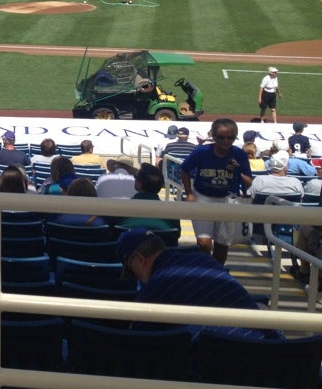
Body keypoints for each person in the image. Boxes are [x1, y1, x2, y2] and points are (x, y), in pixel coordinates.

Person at [117, 228, 276, 339]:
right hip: (274, 350)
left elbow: (140, 337)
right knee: (262, 307)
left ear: (140, 259)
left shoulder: (155, 286)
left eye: (131, 271)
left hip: (227, 370)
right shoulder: (206, 260)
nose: (136, 278)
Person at [180, 117, 253, 264]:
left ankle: (216, 272)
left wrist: (237, 169)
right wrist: (188, 193)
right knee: (204, 243)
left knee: (222, 244)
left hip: (227, 200)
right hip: (202, 197)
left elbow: (249, 182)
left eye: (230, 137)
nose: (225, 141)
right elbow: (184, 169)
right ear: (213, 136)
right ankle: (207, 268)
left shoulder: (239, 154)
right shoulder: (202, 151)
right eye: (221, 137)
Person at [117, 163, 181, 232]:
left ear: (138, 185)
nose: (134, 179)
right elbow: (176, 235)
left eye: (136, 177)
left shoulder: (120, 208)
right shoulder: (172, 213)